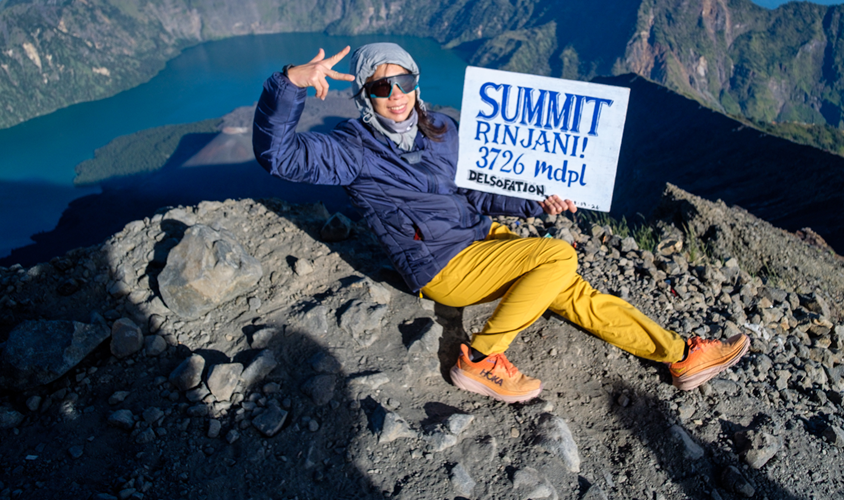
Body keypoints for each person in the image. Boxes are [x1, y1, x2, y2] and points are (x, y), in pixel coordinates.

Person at [252, 42, 750, 403]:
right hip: (441, 267)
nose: (397, 94)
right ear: (365, 93)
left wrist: (537, 203)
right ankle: (480, 359)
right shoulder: (352, 149)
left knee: (570, 288)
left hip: (482, 240)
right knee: (558, 257)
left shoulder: (439, 127)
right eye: (382, 86)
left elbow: (478, 189)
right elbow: (280, 157)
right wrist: (289, 83)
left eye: (405, 81)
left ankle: (678, 355)